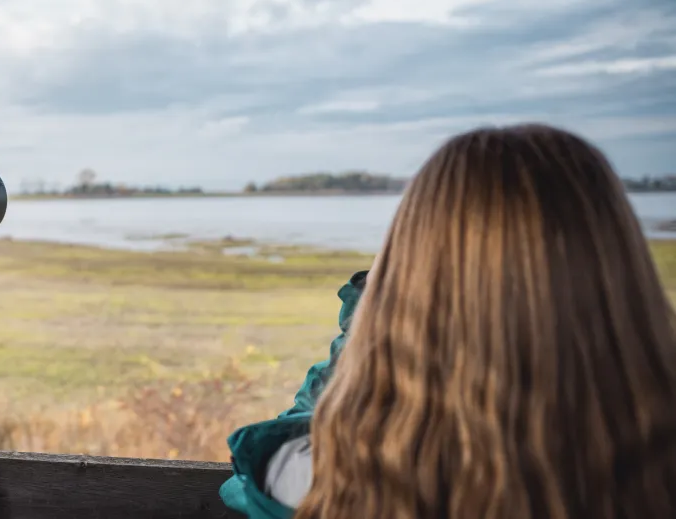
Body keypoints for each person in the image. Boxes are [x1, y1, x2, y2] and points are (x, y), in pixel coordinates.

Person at [223, 124, 676, 519]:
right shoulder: (650, 468)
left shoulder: (322, 476)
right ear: (622, 273)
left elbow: (278, 448)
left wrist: (372, 313)